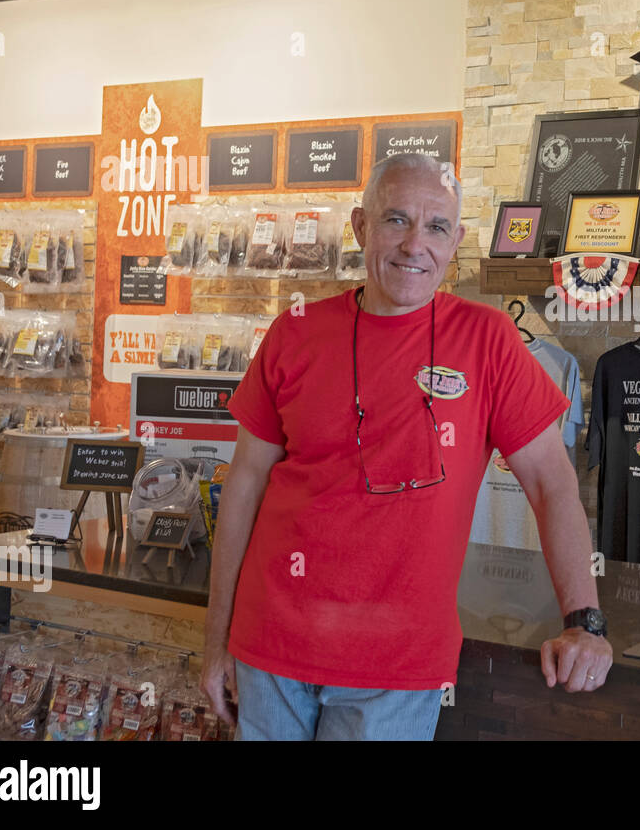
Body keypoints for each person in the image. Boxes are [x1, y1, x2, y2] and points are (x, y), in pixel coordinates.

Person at [201, 153, 611, 740]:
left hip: (397, 667)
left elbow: (552, 482)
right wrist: (216, 641)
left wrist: (585, 622)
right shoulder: (294, 330)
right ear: (361, 226)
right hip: (269, 649)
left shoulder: (488, 339)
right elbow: (243, 487)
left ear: (457, 241)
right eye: (395, 220)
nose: (415, 245)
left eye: (437, 226)